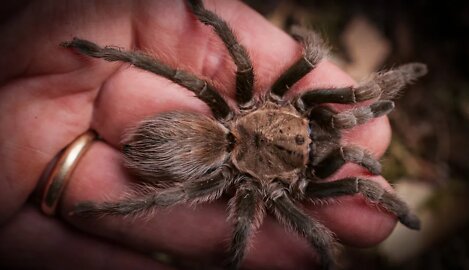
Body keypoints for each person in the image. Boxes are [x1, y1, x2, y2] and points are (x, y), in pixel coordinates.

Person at [0, 1, 399, 269]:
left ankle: (109, 207)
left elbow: (296, 55)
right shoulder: (261, 182)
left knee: (201, 78)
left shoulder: (260, 103)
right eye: (314, 128)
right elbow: (265, 230)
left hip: (206, 143)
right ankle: (106, 208)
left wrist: (207, 14)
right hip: (201, 149)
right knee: (193, 88)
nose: (308, 141)